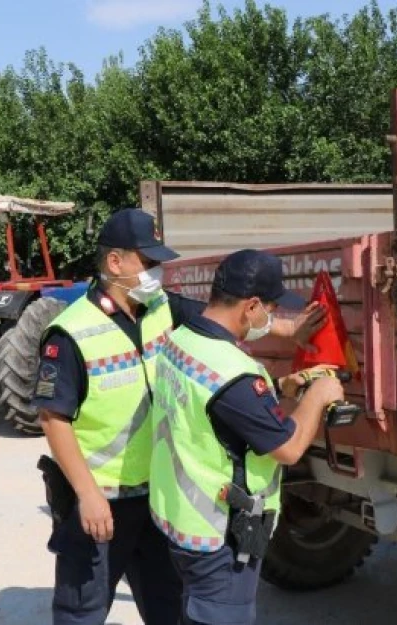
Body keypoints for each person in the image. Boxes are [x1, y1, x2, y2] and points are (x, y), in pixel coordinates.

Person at [31, 209, 325, 625]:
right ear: (115, 262)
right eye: (148, 263)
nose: (157, 273)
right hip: (101, 499)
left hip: (155, 496)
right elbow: (52, 419)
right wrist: (89, 495)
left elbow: (220, 317)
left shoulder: (160, 308)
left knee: (166, 606)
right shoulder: (71, 332)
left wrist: (288, 331)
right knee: (82, 610)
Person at [147, 248, 346, 625]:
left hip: (180, 520)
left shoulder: (181, 340)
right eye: (270, 308)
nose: (271, 318)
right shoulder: (234, 373)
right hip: (219, 538)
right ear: (251, 306)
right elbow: (287, 448)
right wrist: (318, 397)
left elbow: (219, 413)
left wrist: (281, 391)